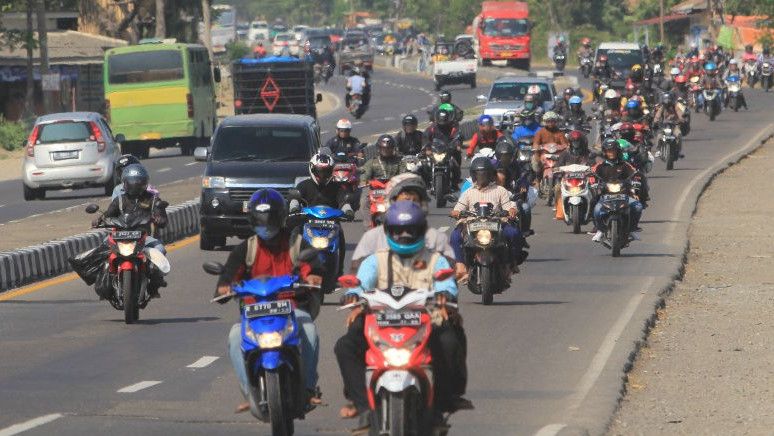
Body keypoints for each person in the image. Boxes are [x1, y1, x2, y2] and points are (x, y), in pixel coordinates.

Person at [335, 201, 470, 430]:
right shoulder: (375, 260)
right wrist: (353, 296)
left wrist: (445, 295)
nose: (404, 235)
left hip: (427, 321)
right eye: (398, 230)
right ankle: (363, 405)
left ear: (421, 229)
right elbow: (358, 285)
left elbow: (447, 283)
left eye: (411, 230)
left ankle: (442, 402)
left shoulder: (435, 260)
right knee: (345, 345)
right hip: (378, 322)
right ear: (388, 231)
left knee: (450, 340)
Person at [214, 189, 324, 413]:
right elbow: (229, 275)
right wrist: (224, 287)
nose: (266, 226)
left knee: (310, 333)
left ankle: (309, 389)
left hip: (292, 310)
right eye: (261, 221)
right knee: (235, 337)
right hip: (255, 314)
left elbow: (312, 266)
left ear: (280, 218)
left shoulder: (296, 243)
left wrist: (312, 276)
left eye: (271, 220)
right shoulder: (246, 248)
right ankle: (250, 392)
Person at [350, 173, 456, 272]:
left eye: (415, 200)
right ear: (392, 201)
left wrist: (445, 287)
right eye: (404, 199)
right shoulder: (372, 238)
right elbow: (357, 275)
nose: (409, 205)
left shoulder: (437, 238)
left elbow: (449, 276)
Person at [450, 157, 526, 277]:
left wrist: (511, 210)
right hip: (472, 224)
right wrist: (456, 212)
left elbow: (508, 206)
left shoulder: (500, 190)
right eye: (479, 174)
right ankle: (461, 264)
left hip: (496, 223)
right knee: (454, 236)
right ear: (474, 175)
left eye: (484, 174)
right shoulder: (468, 192)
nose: (482, 177)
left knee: (514, 234)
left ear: (491, 174)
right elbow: (458, 208)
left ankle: (510, 263)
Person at [102, 164, 168, 297]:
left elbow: (161, 216)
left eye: (138, 182)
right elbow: (107, 215)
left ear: (144, 182)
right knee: (102, 249)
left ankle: (155, 284)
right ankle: (104, 282)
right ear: (124, 183)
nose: (134, 185)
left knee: (160, 249)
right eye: (131, 182)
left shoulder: (152, 199)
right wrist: (99, 220)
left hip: (144, 238)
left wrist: (159, 218)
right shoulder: (119, 199)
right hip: (119, 237)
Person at [591, 141, 644, 242]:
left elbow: (635, 173)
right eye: (609, 151)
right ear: (605, 152)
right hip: (605, 196)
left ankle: (632, 229)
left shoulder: (625, 165)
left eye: (613, 151)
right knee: (596, 209)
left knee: (638, 206)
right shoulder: (600, 166)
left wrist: (636, 181)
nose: (611, 153)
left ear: (617, 151)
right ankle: (600, 230)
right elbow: (591, 174)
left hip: (624, 195)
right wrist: (593, 183)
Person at [531, 111, 568, 176]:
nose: (550, 123)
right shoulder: (540, 132)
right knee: (535, 160)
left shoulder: (560, 133)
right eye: (548, 121)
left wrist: (564, 146)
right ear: (545, 122)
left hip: (557, 156)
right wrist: (537, 148)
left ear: (555, 122)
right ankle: (537, 177)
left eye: (552, 121)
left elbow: (565, 144)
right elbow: (535, 144)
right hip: (543, 155)